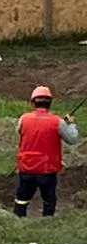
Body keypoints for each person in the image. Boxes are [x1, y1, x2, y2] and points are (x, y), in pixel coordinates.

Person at [14, 85, 78, 218]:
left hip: (26, 168)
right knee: (49, 198)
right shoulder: (57, 122)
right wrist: (70, 124)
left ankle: (19, 217)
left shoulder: (23, 119)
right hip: (47, 169)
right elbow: (72, 139)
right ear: (50, 103)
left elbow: (20, 131)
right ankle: (48, 219)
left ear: (32, 102)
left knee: (22, 197)